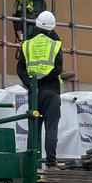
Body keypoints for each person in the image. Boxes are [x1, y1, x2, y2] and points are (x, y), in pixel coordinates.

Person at [17, 9, 63, 169]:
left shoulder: (27, 44)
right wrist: (45, 79)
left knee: (33, 130)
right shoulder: (55, 44)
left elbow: (20, 69)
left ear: (36, 25)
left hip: (34, 92)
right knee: (51, 128)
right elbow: (57, 69)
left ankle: (32, 165)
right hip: (51, 91)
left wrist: (31, 84)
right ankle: (51, 164)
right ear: (52, 28)